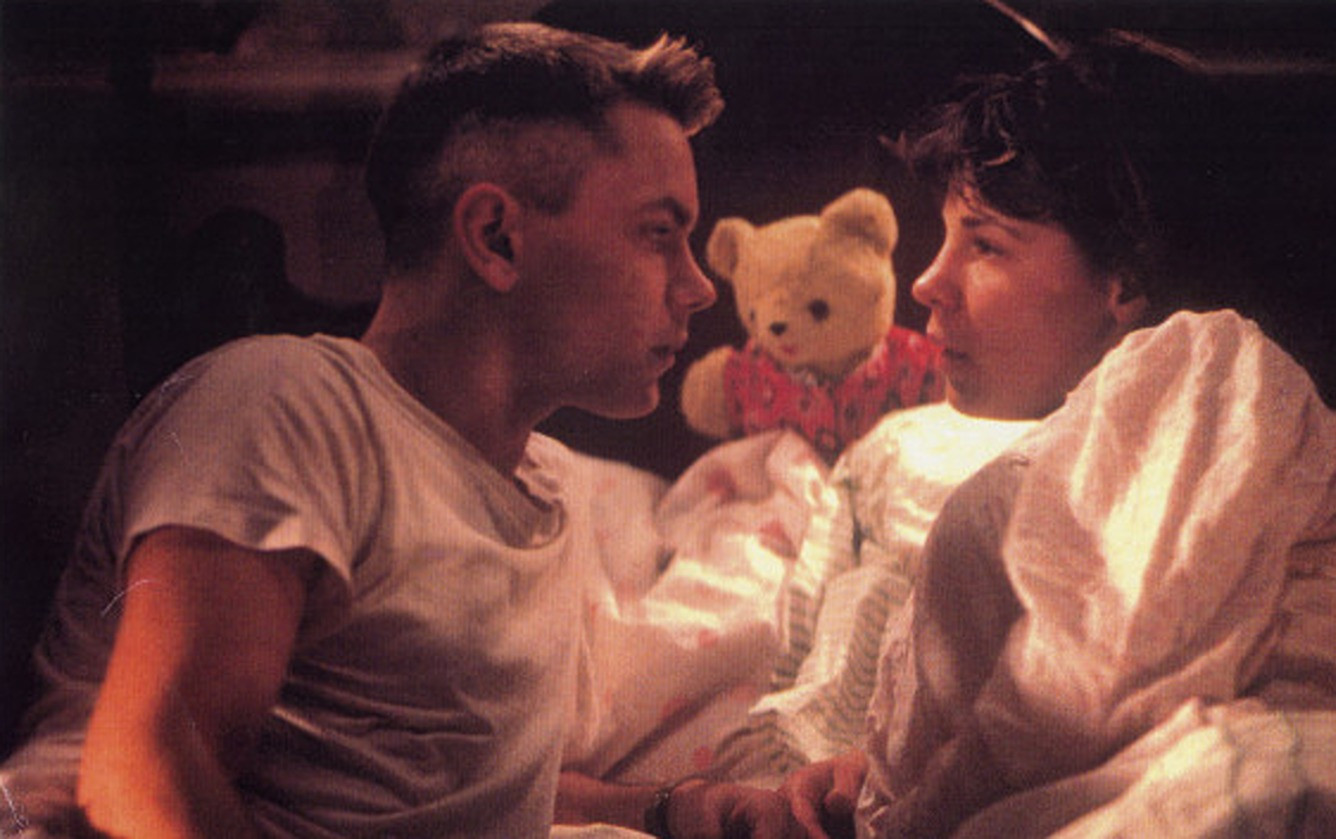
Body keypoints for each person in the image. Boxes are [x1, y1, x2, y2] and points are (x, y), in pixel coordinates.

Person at [0, 22, 800, 839]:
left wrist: (673, 806)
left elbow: (449, 799)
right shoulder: (288, 407)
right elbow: (142, 778)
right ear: (496, 237)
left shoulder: (547, 484)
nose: (698, 286)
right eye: (658, 233)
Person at [778, 31, 1336, 839]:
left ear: (1123, 279)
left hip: (1281, 774)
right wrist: (870, 769)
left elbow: (1101, 672)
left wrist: (899, 805)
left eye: (984, 243)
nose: (926, 282)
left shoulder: (1205, 365)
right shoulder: (1091, 441)